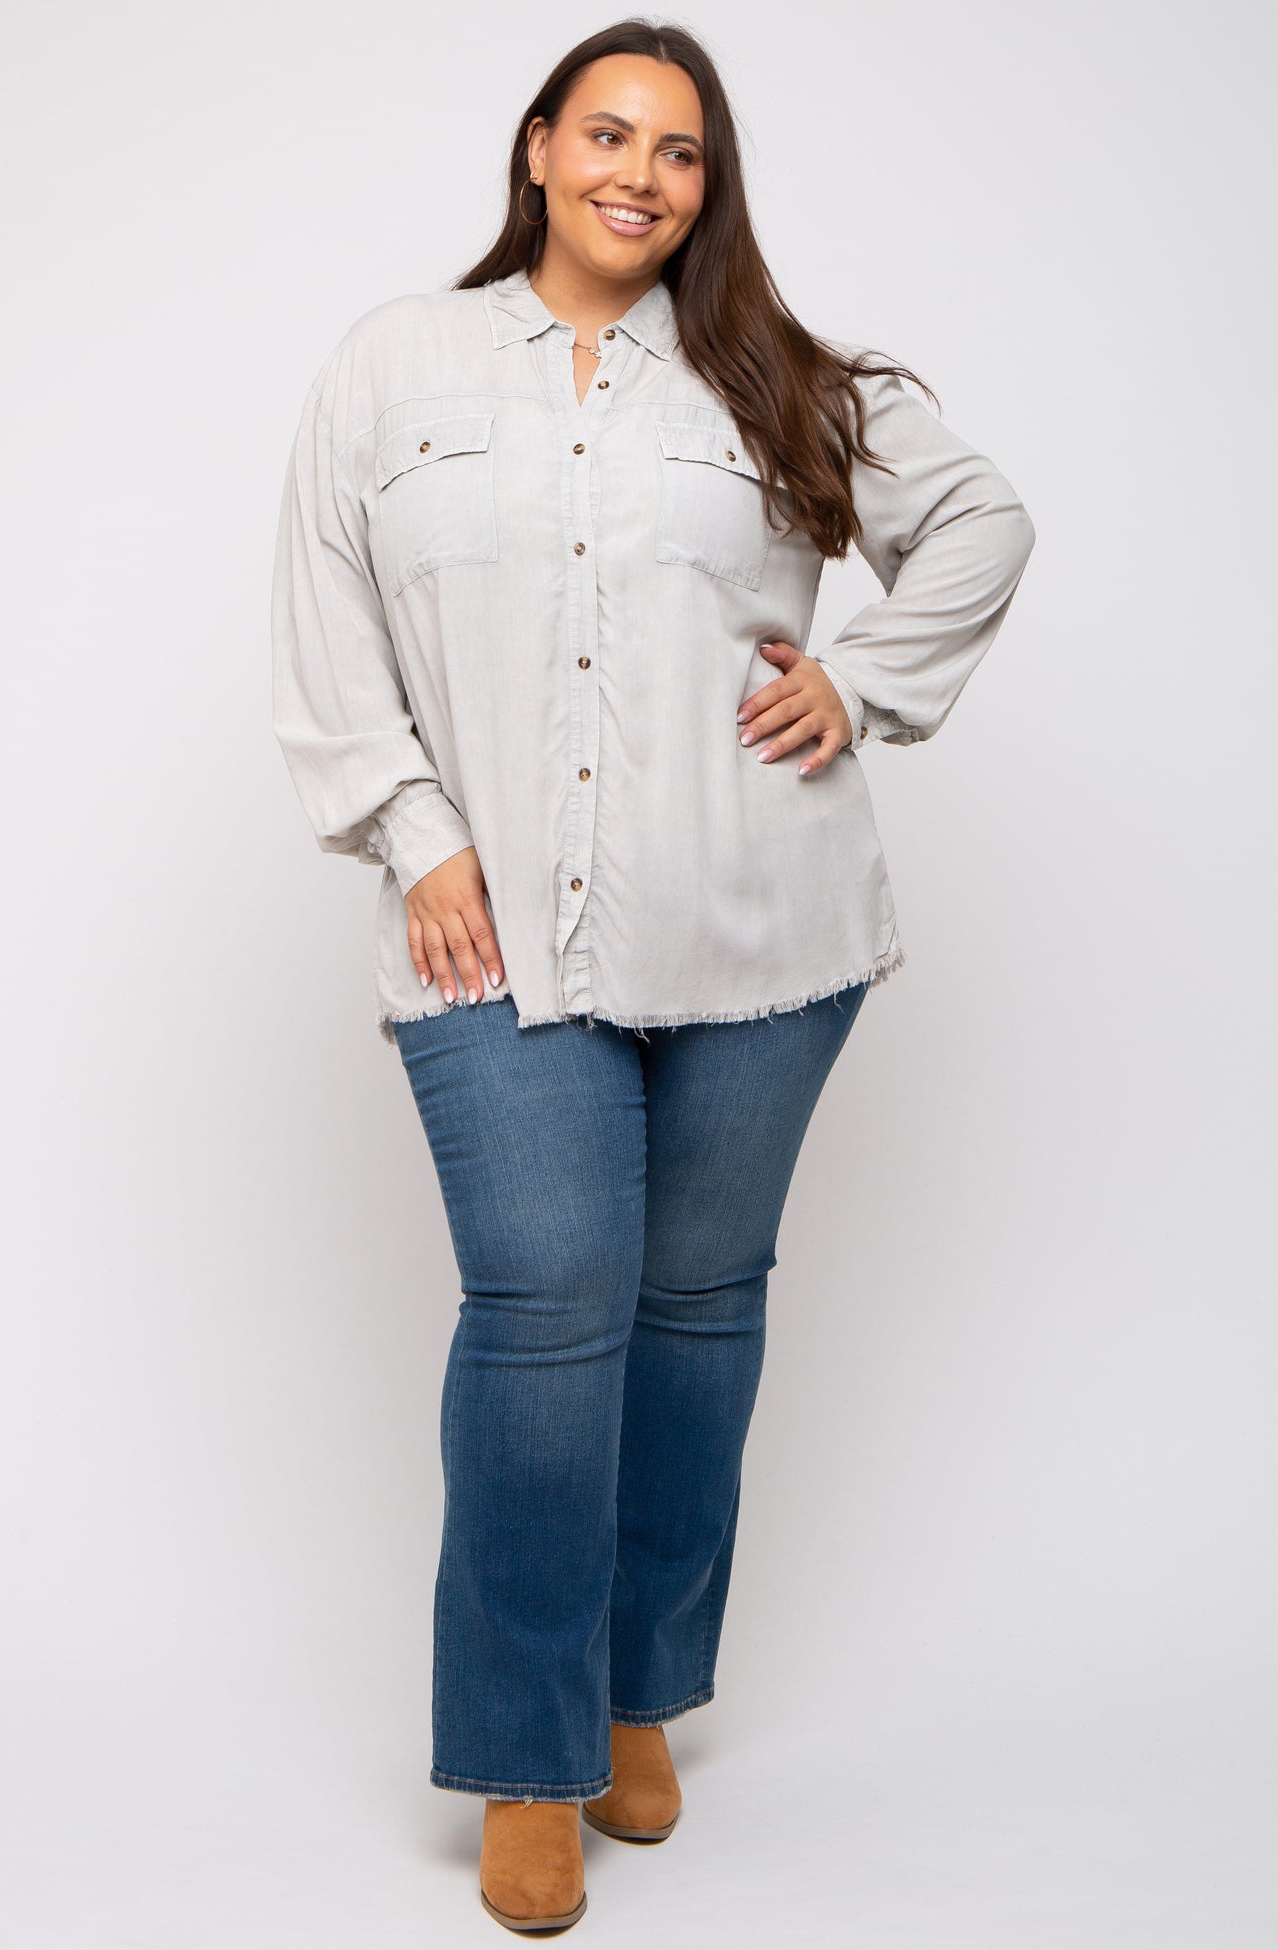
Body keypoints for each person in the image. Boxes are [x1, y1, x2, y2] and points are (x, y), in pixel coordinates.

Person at [270, 17, 1036, 1935]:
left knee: (696, 1313)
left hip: (763, 928)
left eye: (680, 151)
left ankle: (634, 1693)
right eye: (608, 134)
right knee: (546, 1305)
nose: (641, 173)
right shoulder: (396, 364)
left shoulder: (774, 377)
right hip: (491, 934)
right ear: (539, 147)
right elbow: (324, 608)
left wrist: (862, 681)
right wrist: (415, 828)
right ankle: (526, 1760)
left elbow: (983, 522)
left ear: (709, 187)